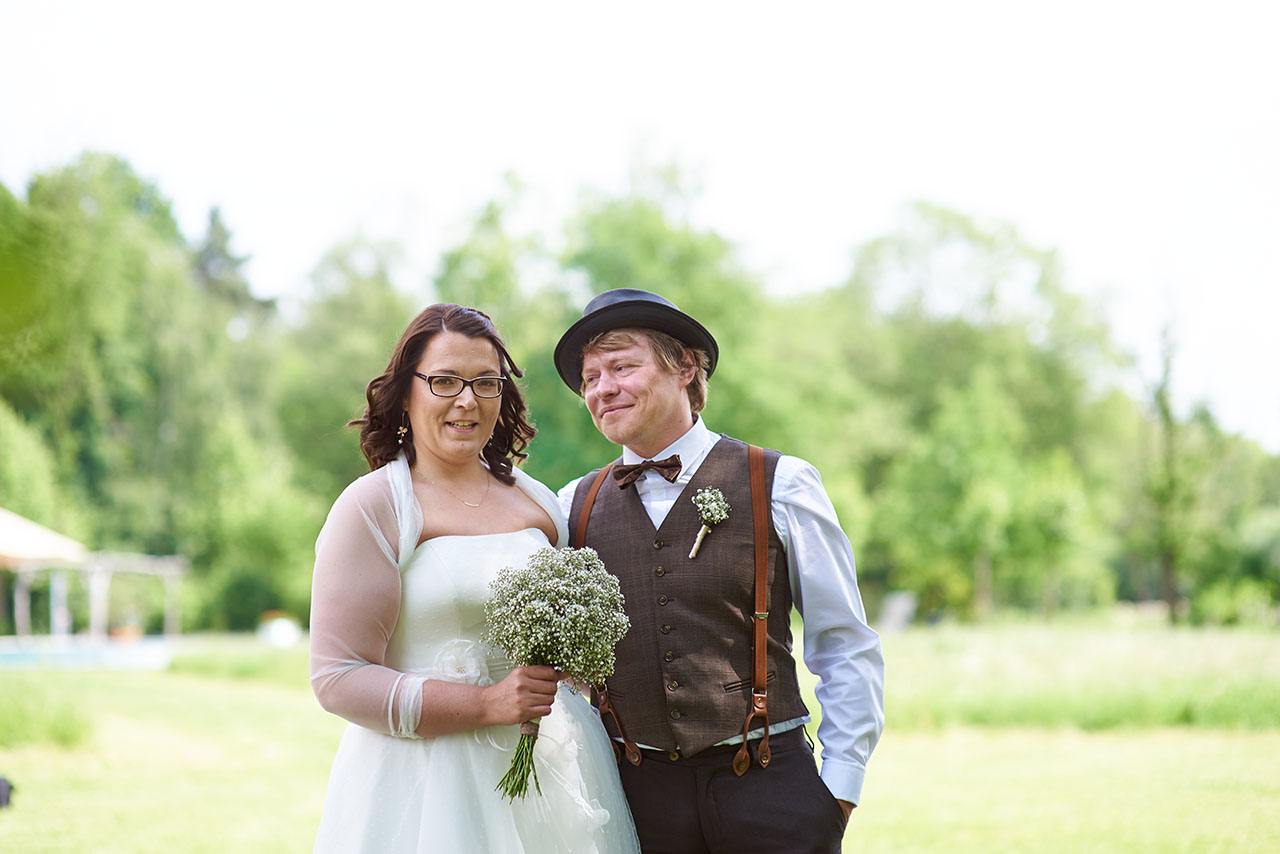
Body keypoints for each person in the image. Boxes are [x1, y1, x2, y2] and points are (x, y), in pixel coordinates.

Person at [555, 289, 885, 853]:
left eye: (622, 366)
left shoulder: (780, 482)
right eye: (590, 377)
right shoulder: (571, 505)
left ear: (685, 366)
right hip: (635, 797)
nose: (602, 388)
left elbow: (844, 641)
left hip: (770, 786)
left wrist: (838, 789)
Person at [309, 303, 640, 854]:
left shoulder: (538, 502)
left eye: (486, 383)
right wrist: (486, 706)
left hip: (548, 776)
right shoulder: (375, 506)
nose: (467, 400)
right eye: (444, 381)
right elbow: (336, 677)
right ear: (406, 392)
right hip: (424, 789)